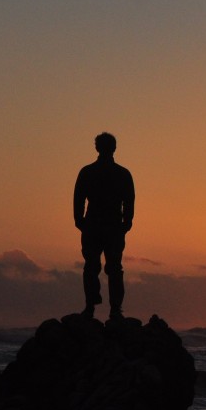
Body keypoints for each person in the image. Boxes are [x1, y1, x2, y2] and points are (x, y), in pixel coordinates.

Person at [74, 132, 135, 320]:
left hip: (97, 225)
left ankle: (93, 307)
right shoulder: (122, 173)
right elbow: (129, 201)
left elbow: (78, 199)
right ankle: (113, 309)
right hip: (108, 226)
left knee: (93, 267)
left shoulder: (88, 171)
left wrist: (79, 220)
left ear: (97, 148)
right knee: (112, 268)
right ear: (114, 148)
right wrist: (126, 222)